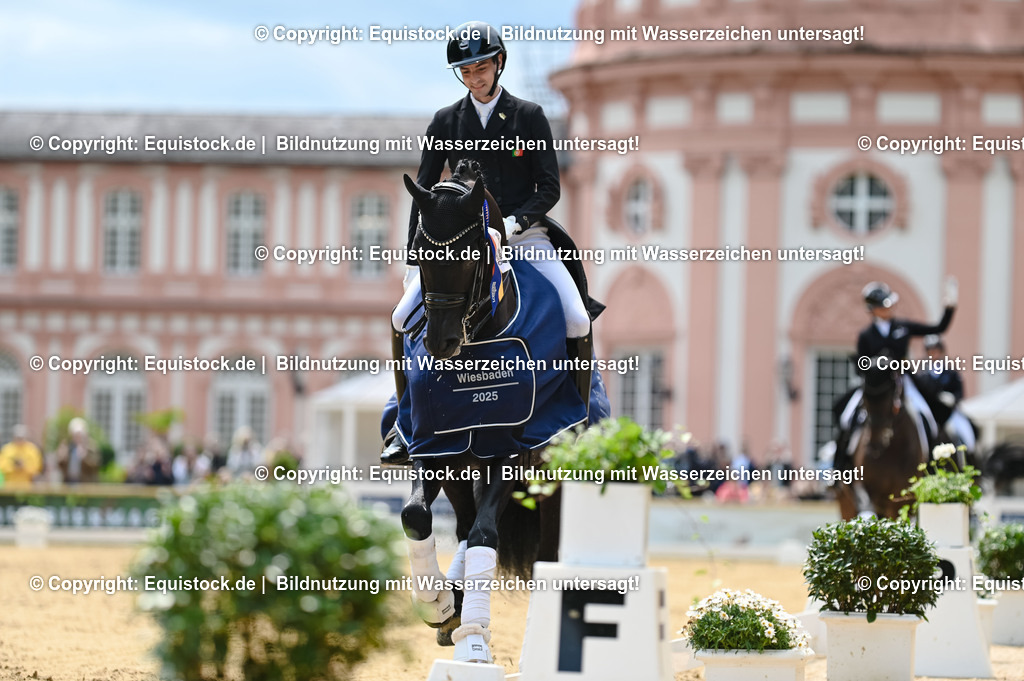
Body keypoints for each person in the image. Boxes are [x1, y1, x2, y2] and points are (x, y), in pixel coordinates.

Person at [383, 20, 593, 465]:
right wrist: (414, 261)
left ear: (498, 64)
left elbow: (549, 187)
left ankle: (577, 420)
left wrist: (516, 223)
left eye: (481, 67)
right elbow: (422, 193)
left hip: (524, 236)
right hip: (462, 245)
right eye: (466, 71)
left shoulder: (528, 116)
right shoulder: (445, 121)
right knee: (402, 317)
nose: (475, 77)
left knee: (576, 317)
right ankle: (404, 425)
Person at [833, 278, 958, 471]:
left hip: (902, 381)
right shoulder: (866, 335)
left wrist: (949, 308)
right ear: (872, 309)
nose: (889, 308)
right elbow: (860, 365)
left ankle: (932, 465)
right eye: (884, 305)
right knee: (846, 417)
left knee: (927, 415)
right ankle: (841, 468)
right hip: (875, 386)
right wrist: (875, 365)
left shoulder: (903, 327)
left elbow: (938, 328)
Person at [920, 334, 977, 453]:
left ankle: (967, 459)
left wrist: (951, 398)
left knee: (966, 434)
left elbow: (959, 393)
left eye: (936, 350)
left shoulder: (951, 374)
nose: (933, 354)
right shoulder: (922, 376)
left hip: (949, 413)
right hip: (930, 414)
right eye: (930, 351)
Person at [56, 417, 100, 484]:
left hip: (85, 484)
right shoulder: (66, 446)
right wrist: (63, 455)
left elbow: (96, 465)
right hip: (68, 482)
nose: (77, 437)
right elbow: (59, 463)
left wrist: (85, 456)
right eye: (75, 435)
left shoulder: (91, 447)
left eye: (79, 435)